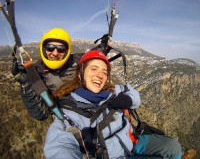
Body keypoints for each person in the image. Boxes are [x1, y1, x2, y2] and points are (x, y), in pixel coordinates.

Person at [43, 50, 183, 159]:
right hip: (114, 155)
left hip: (131, 141)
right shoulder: (70, 113)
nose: (100, 75)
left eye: (104, 72)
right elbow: (61, 146)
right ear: (80, 73)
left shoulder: (111, 91)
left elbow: (133, 93)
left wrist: (129, 100)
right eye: (93, 69)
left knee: (173, 147)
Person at [13, 27, 82, 120]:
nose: (55, 53)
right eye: (50, 48)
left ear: (67, 51)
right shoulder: (36, 73)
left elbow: (95, 54)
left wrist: (105, 47)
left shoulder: (77, 61)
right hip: (65, 119)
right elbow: (41, 114)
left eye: (61, 49)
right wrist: (26, 83)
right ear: (44, 49)